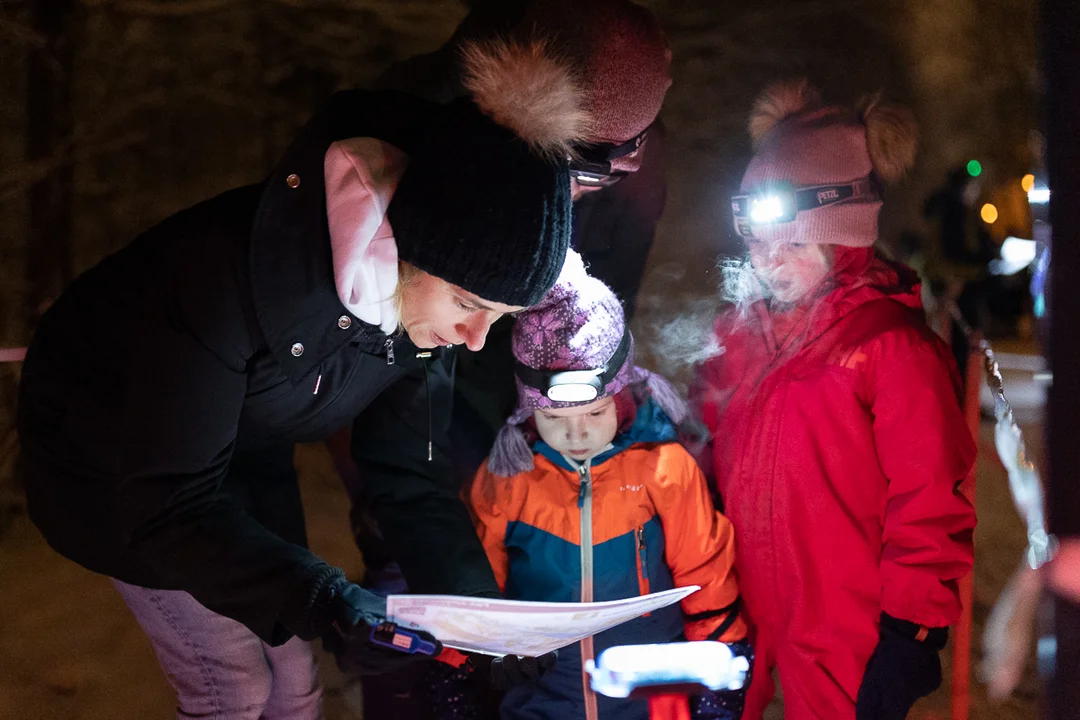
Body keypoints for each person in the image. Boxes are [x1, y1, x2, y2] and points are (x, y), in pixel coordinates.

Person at [16, 40, 581, 719]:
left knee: (294, 680)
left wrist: (481, 624)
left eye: (502, 317)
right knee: (235, 687)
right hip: (114, 468)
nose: (475, 338)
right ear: (412, 248)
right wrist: (328, 602)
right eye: (471, 305)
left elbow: (405, 473)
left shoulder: (421, 304)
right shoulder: (220, 279)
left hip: (235, 457)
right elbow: (168, 506)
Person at [690, 81, 978, 720]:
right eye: (758, 241)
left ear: (843, 235)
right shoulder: (736, 333)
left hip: (846, 626)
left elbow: (930, 502)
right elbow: (702, 451)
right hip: (740, 607)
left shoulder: (890, 347)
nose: (770, 260)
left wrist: (912, 630)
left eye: (794, 242)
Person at [431, 252, 751, 720]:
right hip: (541, 704)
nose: (576, 434)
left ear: (620, 395)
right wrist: (453, 667)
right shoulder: (509, 478)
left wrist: (725, 660)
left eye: (594, 414)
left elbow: (706, 575)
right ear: (527, 410)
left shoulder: (664, 469)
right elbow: (476, 585)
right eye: (554, 417)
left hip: (647, 704)